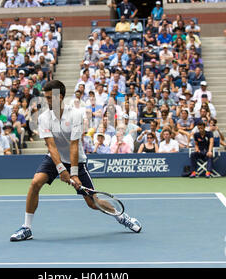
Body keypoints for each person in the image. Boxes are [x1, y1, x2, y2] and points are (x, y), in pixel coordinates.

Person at [10, 80, 142, 242]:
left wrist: (72, 173)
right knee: (35, 183)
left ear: (61, 97)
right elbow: (51, 146)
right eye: (46, 98)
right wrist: (61, 170)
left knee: (93, 202)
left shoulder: (76, 115)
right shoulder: (44, 117)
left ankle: (121, 216)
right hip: (54, 158)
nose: (48, 101)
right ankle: (27, 227)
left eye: (51, 98)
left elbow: (74, 145)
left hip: (76, 162)